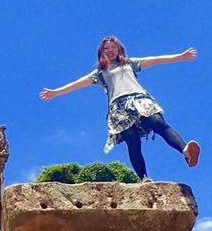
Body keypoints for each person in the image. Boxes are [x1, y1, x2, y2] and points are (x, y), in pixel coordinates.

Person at [39, 36, 200, 182]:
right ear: (101, 53)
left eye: (113, 48)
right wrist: (56, 92)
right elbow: (77, 84)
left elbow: (156, 59)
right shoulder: (100, 73)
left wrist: (179, 56)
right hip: (118, 108)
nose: (110, 51)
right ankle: (144, 177)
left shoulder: (130, 63)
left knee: (158, 123)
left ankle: (185, 151)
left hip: (139, 99)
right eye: (106, 49)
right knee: (132, 142)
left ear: (119, 49)